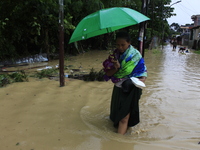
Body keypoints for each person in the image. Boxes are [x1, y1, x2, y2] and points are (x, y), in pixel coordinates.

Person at [103, 31, 147, 135]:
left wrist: (136, 82)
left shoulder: (136, 55)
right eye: (118, 45)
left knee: (124, 118)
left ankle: (118, 142)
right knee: (116, 115)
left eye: (123, 45)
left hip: (130, 89)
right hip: (118, 89)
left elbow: (143, 74)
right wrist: (116, 68)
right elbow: (108, 74)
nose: (120, 47)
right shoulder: (114, 57)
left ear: (129, 43)